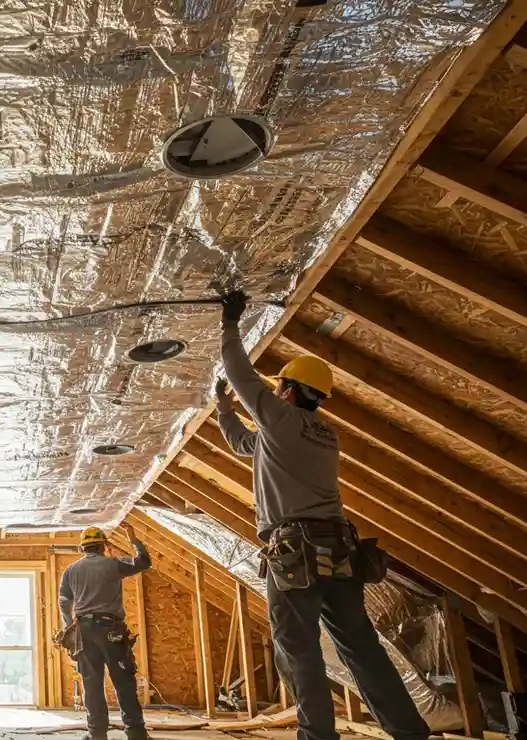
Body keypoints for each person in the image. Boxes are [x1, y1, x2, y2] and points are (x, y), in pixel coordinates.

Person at [217, 290, 428, 740]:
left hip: (296, 553)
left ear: (288, 391)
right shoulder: (322, 434)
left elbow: (239, 372)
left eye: (278, 388)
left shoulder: (280, 419)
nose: (273, 393)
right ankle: (409, 732)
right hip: (338, 551)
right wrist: (224, 411)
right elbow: (243, 446)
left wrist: (230, 323)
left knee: (299, 648)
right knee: (360, 646)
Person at [58, 526, 151, 740]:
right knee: (123, 681)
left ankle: (97, 734)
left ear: (83, 548)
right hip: (111, 630)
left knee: (91, 684)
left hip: (84, 631)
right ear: (103, 546)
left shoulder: (71, 570)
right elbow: (144, 561)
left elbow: (64, 601)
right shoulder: (114, 564)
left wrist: (69, 624)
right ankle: (136, 734)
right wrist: (133, 539)